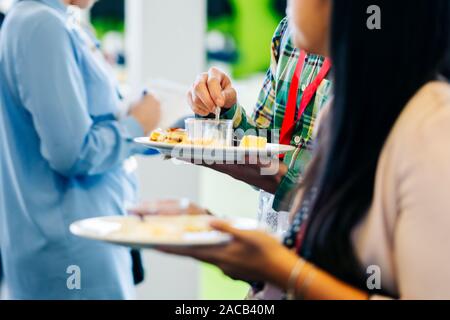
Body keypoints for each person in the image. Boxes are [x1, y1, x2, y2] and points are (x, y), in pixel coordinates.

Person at [162, 0, 450, 300]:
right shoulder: (339, 114)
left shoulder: (433, 127)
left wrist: (275, 266)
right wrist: (231, 246)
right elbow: (329, 259)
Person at [0, 0, 160, 299]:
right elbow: (72, 153)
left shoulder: (52, 21)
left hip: (85, 238)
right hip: (73, 250)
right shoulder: (42, 25)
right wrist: (137, 124)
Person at [188, 17, 332, 218]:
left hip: (333, 236)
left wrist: (280, 180)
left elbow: (359, 187)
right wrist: (221, 110)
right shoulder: (288, 31)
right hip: (275, 229)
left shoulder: (373, 42)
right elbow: (264, 144)